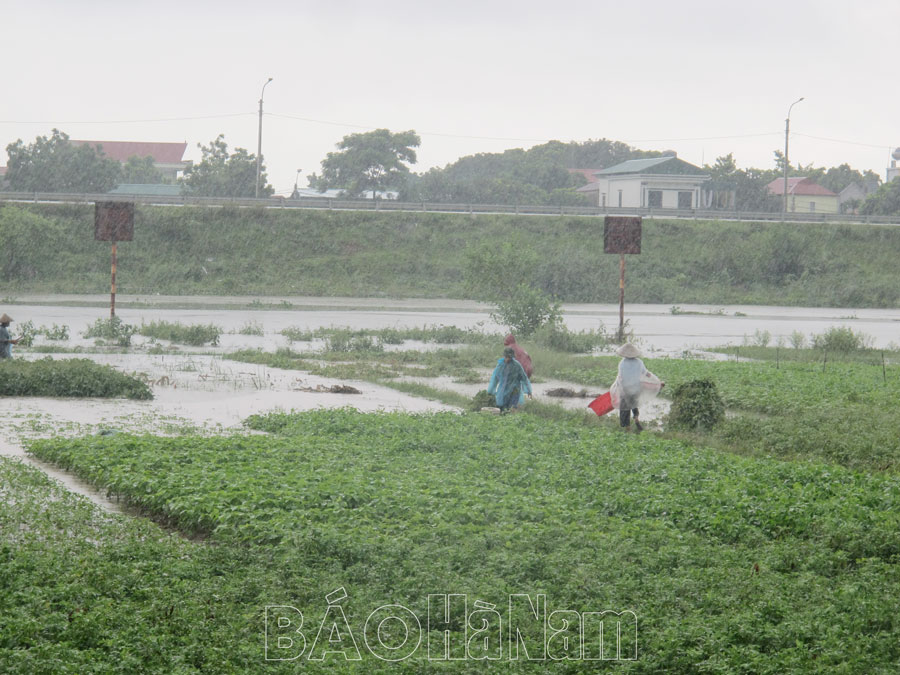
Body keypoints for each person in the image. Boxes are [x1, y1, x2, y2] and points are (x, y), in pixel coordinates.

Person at [610, 343, 663, 432]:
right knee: (634, 404)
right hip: (636, 389)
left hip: (625, 389)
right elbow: (646, 373)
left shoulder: (622, 363)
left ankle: (627, 428)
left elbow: (620, 377)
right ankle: (636, 419)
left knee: (624, 408)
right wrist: (657, 381)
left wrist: (617, 387)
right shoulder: (639, 362)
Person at [488, 346, 533, 412]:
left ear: (512, 357)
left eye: (509, 357)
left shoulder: (517, 365)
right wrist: (490, 390)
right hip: (503, 390)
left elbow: (524, 378)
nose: (508, 359)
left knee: (512, 409)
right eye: (506, 357)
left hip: (514, 391)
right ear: (504, 356)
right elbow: (494, 378)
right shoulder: (500, 365)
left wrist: (528, 391)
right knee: (502, 408)